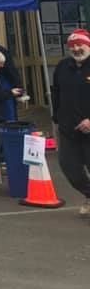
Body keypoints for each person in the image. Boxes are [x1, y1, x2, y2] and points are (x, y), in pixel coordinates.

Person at [51, 29, 90, 218]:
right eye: (72, 45)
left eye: (80, 44)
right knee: (70, 168)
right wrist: (57, 118)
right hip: (68, 129)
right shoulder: (62, 67)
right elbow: (56, 93)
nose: (76, 48)